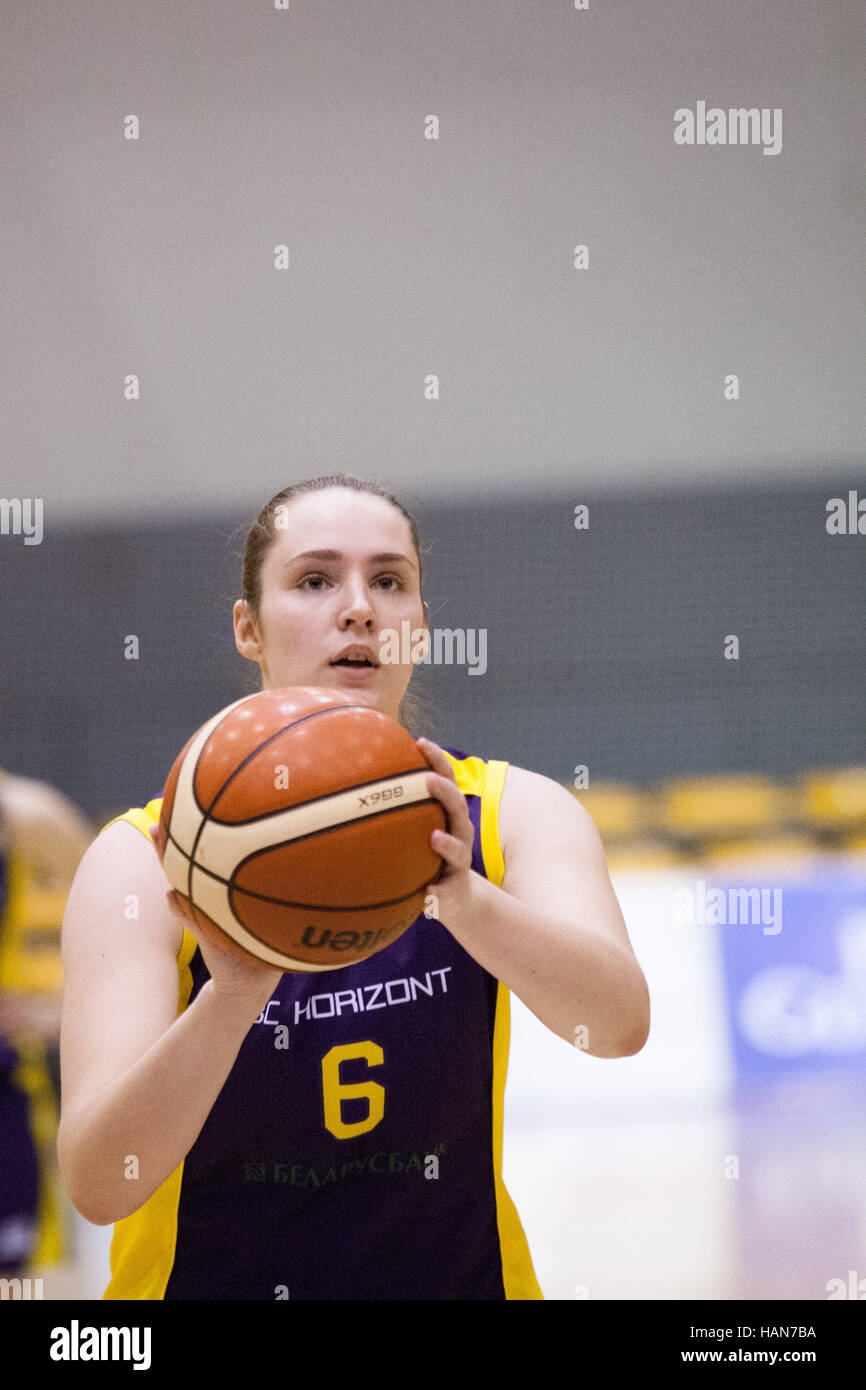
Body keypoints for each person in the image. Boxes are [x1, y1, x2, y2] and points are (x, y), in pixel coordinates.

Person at [58, 474, 650, 1300]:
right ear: (248, 628)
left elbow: (616, 1027)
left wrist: (464, 899)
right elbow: (100, 1183)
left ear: (420, 628)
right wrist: (230, 996)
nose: (360, 608)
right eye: (313, 580)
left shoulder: (514, 813)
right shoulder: (140, 859)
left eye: (389, 581)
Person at [0, 769, 93, 1281]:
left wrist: (48, 1011)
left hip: (10, 1105)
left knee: (21, 1286)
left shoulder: (30, 817)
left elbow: (108, 955)